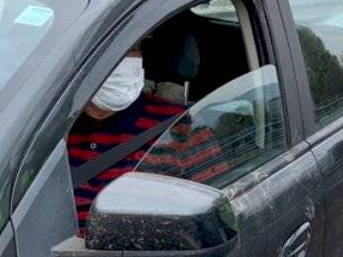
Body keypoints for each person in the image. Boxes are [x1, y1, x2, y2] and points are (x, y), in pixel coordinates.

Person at [66, 43, 227, 233]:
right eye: (99, 52)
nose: (115, 61)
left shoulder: (182, 127)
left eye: (129, 50)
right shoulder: (48, 130)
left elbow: (217, 220)